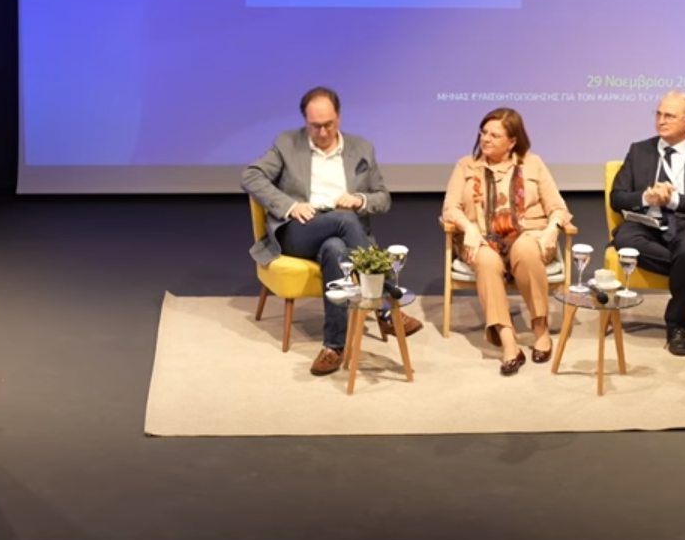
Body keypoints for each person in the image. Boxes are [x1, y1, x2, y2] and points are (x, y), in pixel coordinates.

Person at [243, 87, 420, 376]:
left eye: (328, 125)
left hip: (343, 235)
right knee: (344, 221)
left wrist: (359, 200)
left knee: (336, 248)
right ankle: (386, 303)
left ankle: (333, 347)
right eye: (315, 126)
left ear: (339, 117)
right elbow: (251, 176)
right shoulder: (287, 143)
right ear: (305, 120)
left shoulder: (362, 148)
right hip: (299, 230)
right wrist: (290, 206)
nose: (323, 132)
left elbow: (383, 198)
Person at [441, 109, 573, 375]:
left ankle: (540, 329)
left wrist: (552, 229)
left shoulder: (533, 164)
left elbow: (558, 207)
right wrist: (468, 228)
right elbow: (450, 208)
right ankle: (508, 340)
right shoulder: (466, 165)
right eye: (483, 133)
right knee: (486, 260)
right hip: (481, 239)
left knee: (526, 248)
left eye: (494, 135)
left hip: (528, 236)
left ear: (512, 141)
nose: (485, 139)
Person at [607, 90, 685, 356]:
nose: (661, 121)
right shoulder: (639, 150)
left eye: (670, 116)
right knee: (625, 241)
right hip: (646, 222)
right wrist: (646, 197)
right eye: (659, 114)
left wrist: (674, 200)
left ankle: (677, 327)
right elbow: (617, 198)